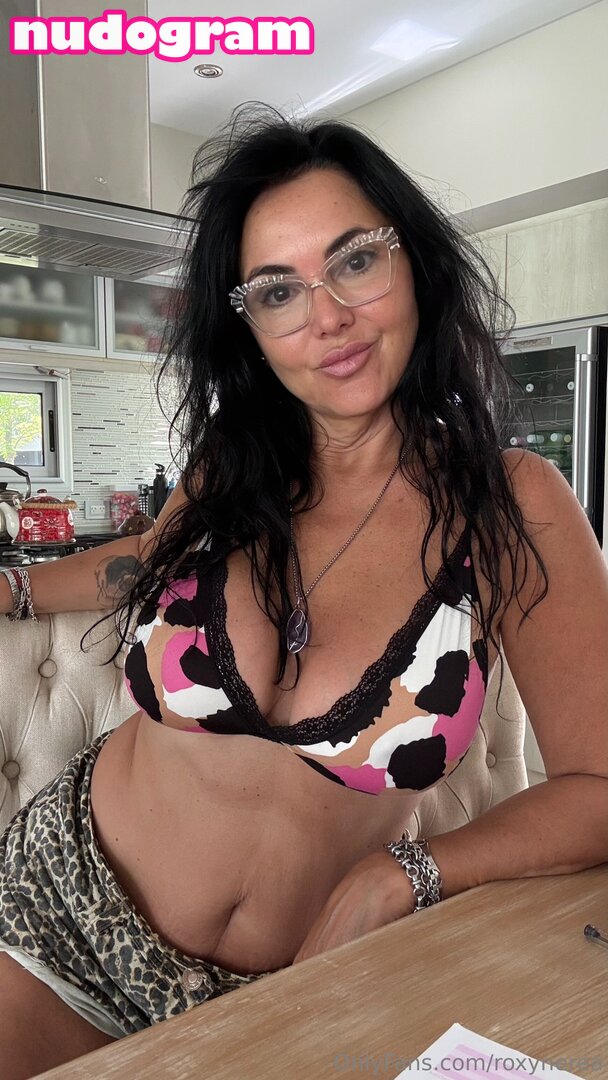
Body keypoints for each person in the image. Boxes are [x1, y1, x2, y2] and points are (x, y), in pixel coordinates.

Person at [1, 105, 607, 1077]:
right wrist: (14, 590)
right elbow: (139, 562)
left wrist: (406, 870)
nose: (325, 315)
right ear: (249, 326)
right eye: (277, 289)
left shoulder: (511, 507)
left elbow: (598, 788)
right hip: (60, 913)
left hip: (292, 991)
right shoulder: (231, 465)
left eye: (354, 260)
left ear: (415, 264)